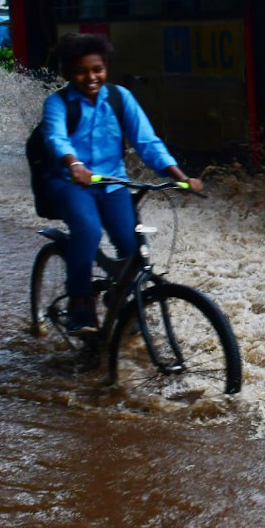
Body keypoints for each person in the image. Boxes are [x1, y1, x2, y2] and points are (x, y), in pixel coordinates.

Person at [41, 32, 203, 334]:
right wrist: (74, 164)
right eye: (81, 71)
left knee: (133, 245)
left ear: (106, 68)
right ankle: (80, 303)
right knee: (87, 230)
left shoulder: (120, 98)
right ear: (67, 73)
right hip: (71, 183)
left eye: (97, 69)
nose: (91, 77)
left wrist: (180, 177)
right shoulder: (57, 103)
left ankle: (122, 301)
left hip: (113, 183)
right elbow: (55, 137)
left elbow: (146, 141)